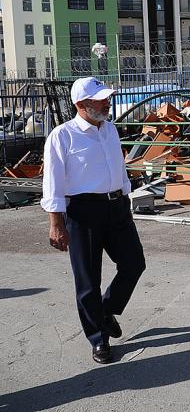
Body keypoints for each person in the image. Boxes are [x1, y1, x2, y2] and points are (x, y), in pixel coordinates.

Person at [41, 77, 145, 364]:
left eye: (106, 97)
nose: (107, 102)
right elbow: (52, 183)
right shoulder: (63, 136)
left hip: (117, 207)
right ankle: (98, 339)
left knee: (134, 263)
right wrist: (56, 223)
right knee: (88, 280)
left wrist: (126, 197)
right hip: (83, 213)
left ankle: (105, 310)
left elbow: (118, 166)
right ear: (81, 104)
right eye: (100, 99)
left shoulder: (109, 129)